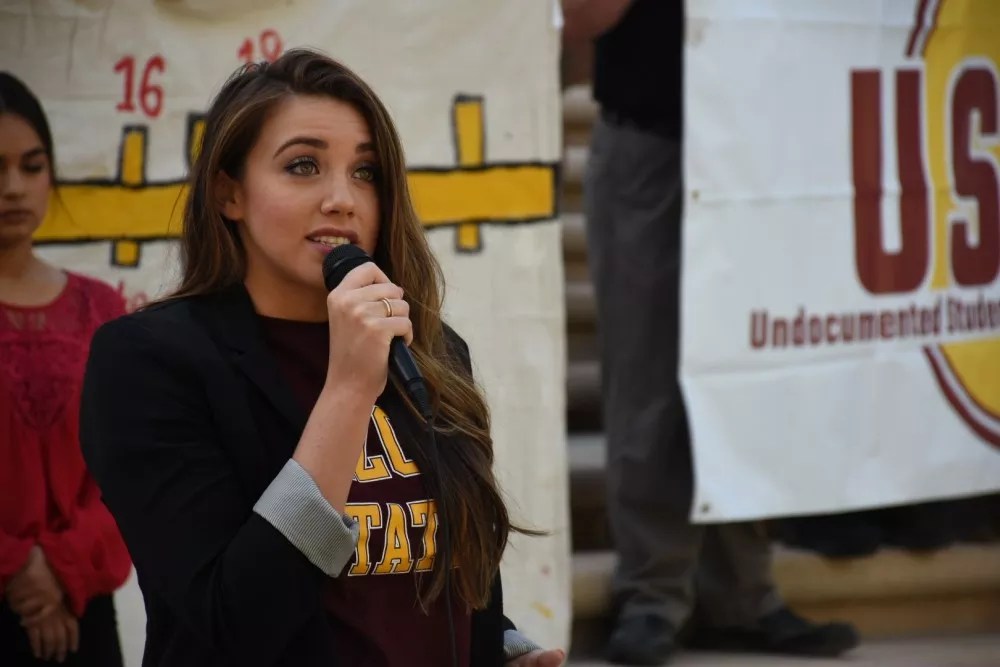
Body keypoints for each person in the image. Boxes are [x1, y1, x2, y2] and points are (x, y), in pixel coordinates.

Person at [79, 49, 565, 667]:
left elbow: (433, 579)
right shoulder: (151, 363)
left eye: (366, 172)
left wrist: (502, 648)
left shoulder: (433, 350)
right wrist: (347, 391)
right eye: (303, 166)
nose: (343, 198)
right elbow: (231, 619)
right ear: (230, 192)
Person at [561, 1, 860, 664]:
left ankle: (741, 595)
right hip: (652, 140)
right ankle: (652, 596)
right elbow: (576, 18)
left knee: (755, 370)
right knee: (646, 383)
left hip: (767, 159)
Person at [0, 72, 132, 666]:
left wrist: (59, 567)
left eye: (31, 165)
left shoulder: (101, 310)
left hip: (83, 616)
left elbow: (133, 471)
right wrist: (15, 568)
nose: (13, 188)